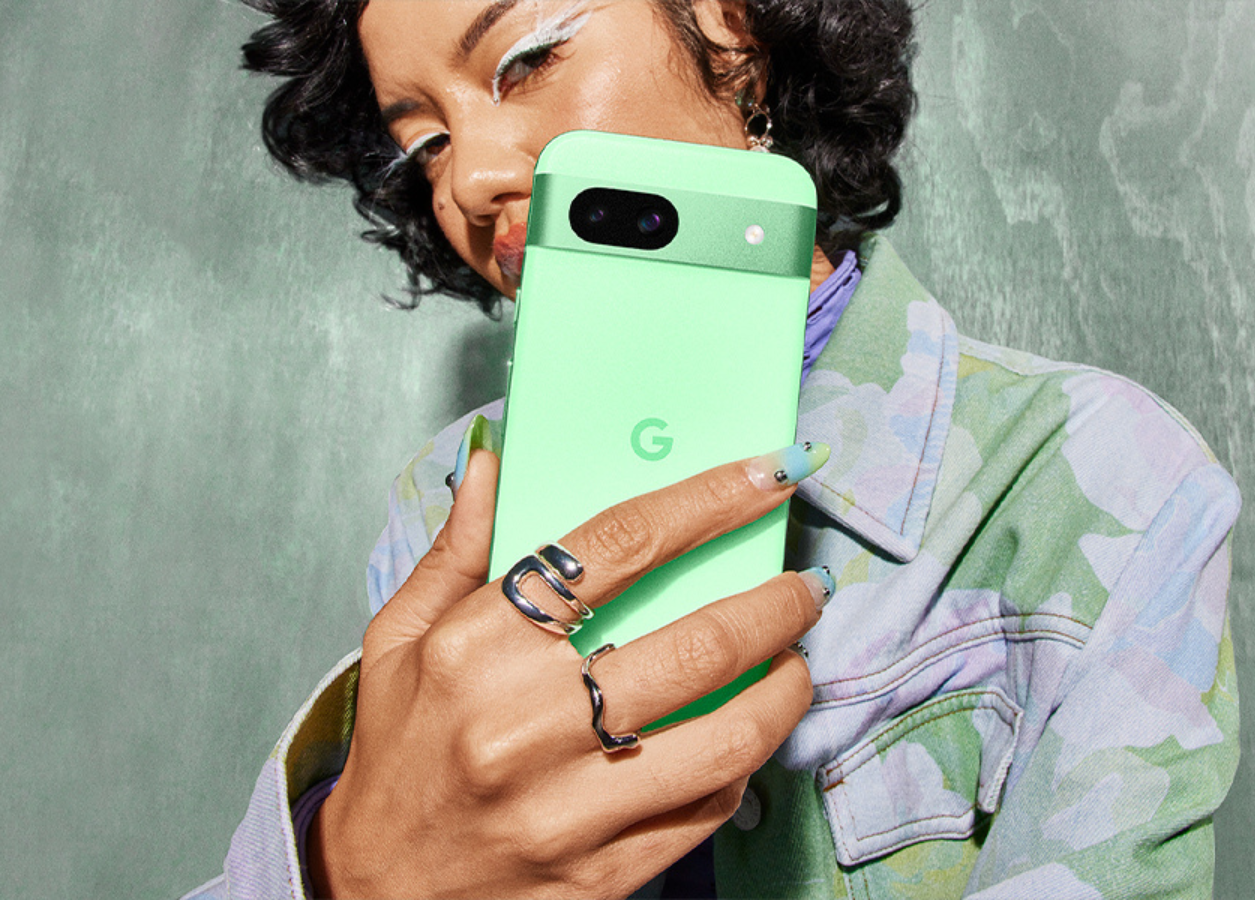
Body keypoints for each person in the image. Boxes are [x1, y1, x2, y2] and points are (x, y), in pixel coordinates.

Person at [189, 1, 1242, 897]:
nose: (467, 180)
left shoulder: (1094, 475)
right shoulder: (447, 498)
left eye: (525, 60)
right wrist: (349, 864)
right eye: (424, 142)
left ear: (734, 36)